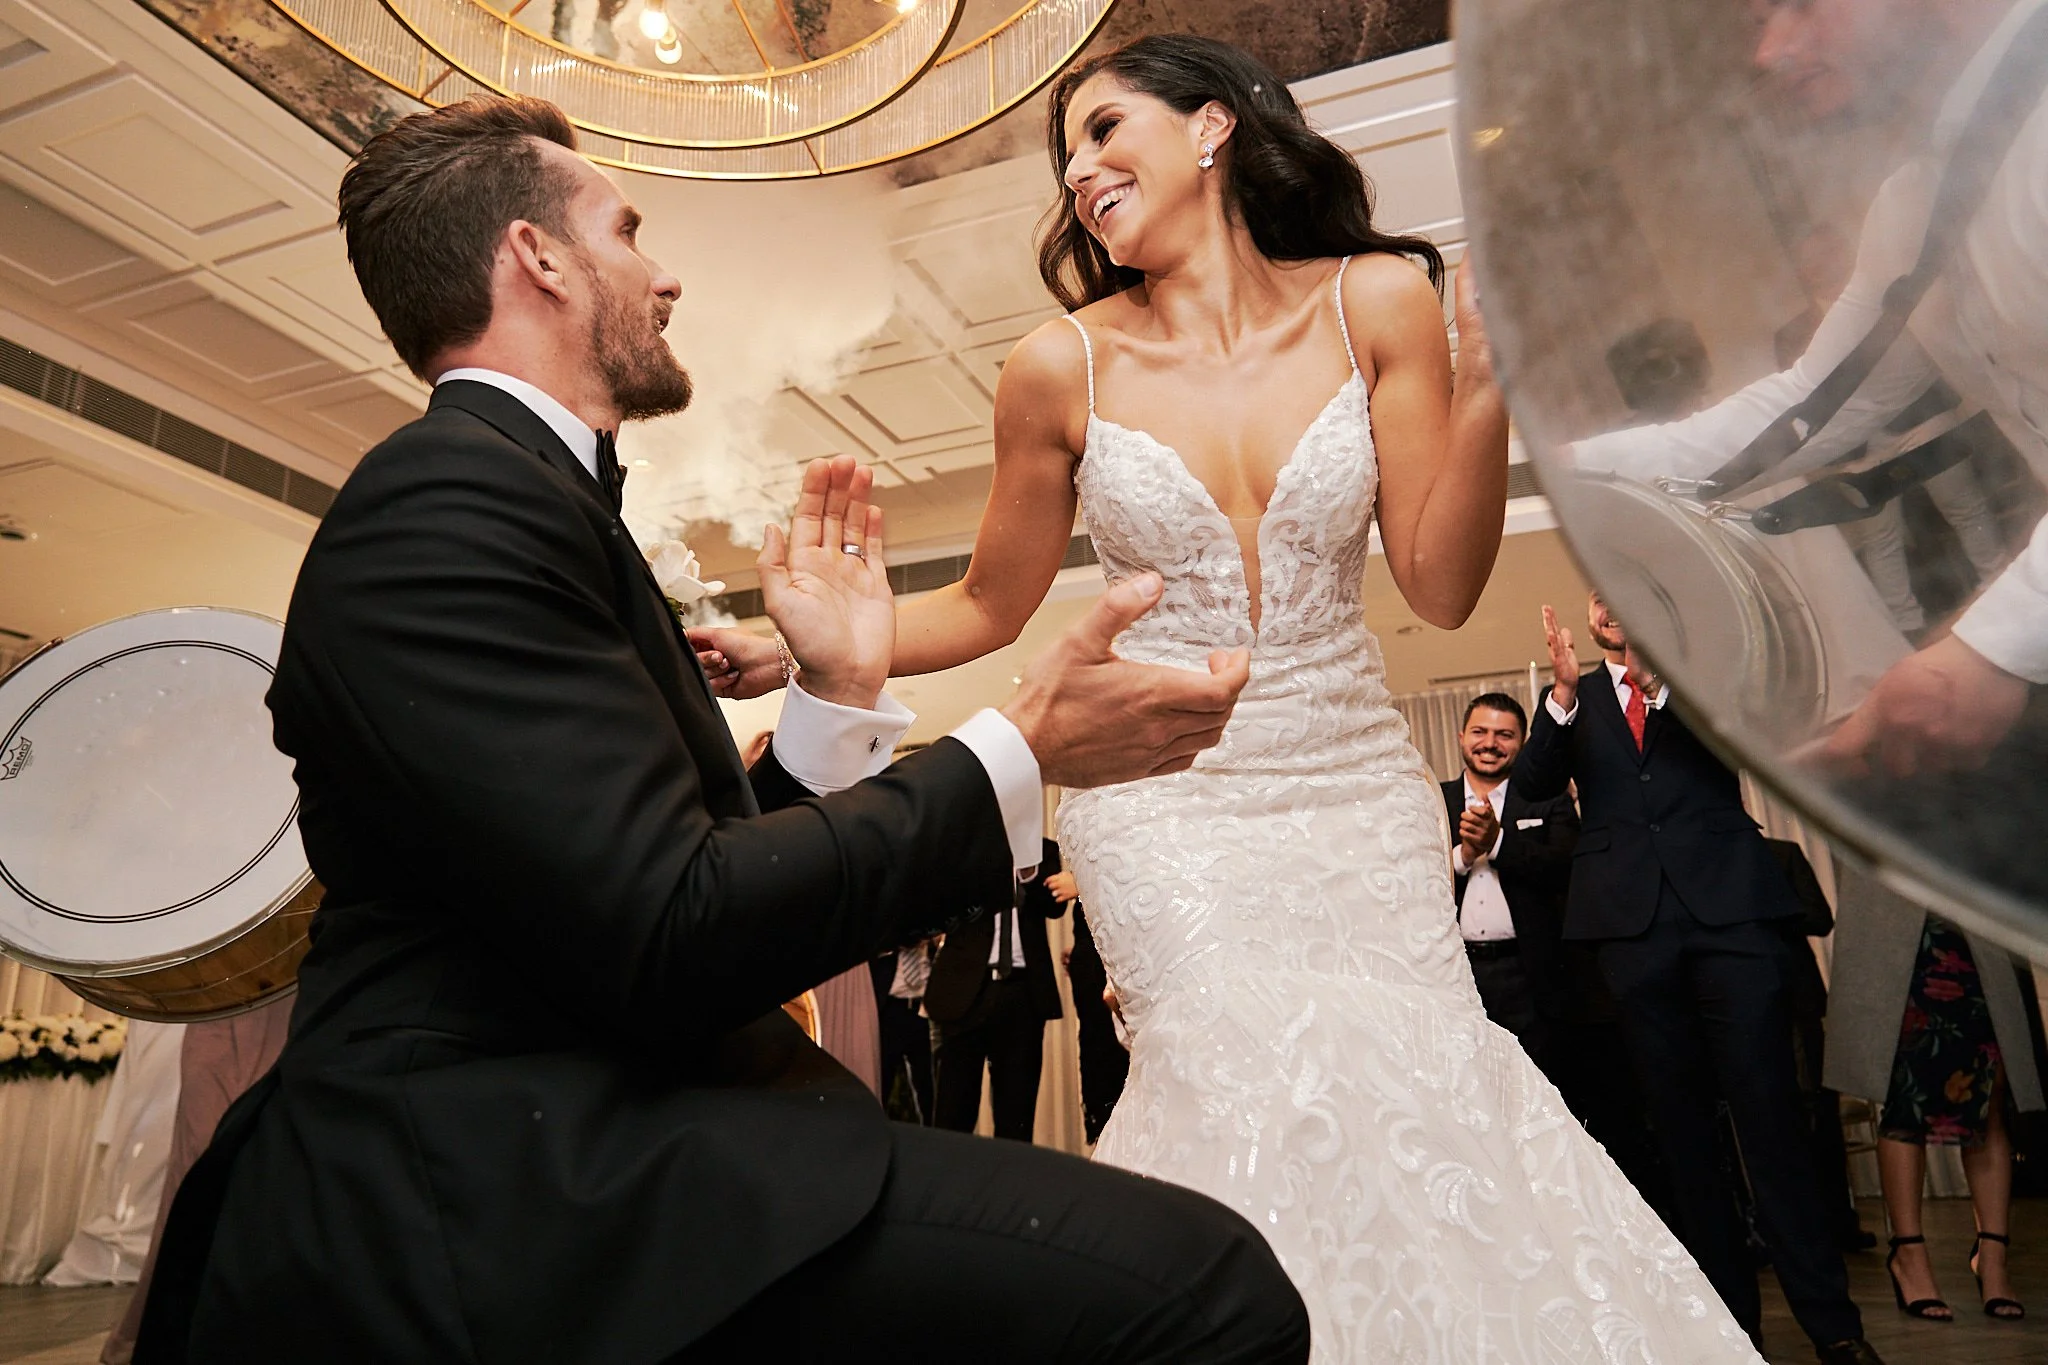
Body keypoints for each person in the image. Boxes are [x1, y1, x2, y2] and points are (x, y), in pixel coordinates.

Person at [131, 93, 1314, 1365]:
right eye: (626, 230)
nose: (665, 272)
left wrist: (834, 697)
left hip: (622, 1128)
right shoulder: (441, 508)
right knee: (1209, 1293)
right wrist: (1026, 745)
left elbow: (670, 882)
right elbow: (671, 934)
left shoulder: (523, 500)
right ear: (536, 257)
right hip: (500, 1188)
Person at [704, 33, 1765, 1362]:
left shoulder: (1375, 300)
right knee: (1230, 1075)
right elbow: (987, 601)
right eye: (1067, 155)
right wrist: (801, 648)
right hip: (1169, 805)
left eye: (1103, 130)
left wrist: (1490, 387)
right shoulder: (1058, 368)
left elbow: (1438, 585)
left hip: (1355, 787)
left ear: (1210, 128)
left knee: (1424, 1090)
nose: (1080, 170)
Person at [1570, 0, 2048, 817]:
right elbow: (1808, 405)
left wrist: (1999, 642)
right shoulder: (1911, 209)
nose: (1769, 50)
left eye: (1800, 5)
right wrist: (1556, 474)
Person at [1516, 593, 1883, 1364]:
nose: (1608, 607)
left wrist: (1661, 686)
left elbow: (1747, 743)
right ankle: (1730, 1333)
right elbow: (1534, 791)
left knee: (1772, 1122)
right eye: (1597, 597)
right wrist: (1554, 700)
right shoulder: (1572, 698)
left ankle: (1836, 1329)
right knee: (1681, 1138)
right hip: (1632, 934)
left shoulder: (1707, 678)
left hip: (1730, 918)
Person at [1824, 861, 2041, 1322]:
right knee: (1906, 1096)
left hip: (1974, 903)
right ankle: (1909, 1256)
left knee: (1991, 1095)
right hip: (1893, 905)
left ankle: (1994, 1259)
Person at [1439, 692, 1579, 1073]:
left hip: (1531, 972)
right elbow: (1411, 880)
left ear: (1522, 742)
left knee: (1543, 1080)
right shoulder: (1433, 800)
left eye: (1505, 735)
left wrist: (1497, 843)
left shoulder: (1548, 800)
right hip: (1456, 970)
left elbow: (1567, 869)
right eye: (1480, 731)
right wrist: (1464, 856)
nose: (1490, 743)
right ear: (1460, 737)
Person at [923, 837, 1070, 1141]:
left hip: (1022, 994)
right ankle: (951, 1187)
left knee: (1016, 1117)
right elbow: (938, 908)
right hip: (963, 993)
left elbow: (1054, 908)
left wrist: (1030, 874)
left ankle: (1010, 1187)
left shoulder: (1042, 849)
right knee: (952, 1117)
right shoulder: (960, 842)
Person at [1047, 865, 1130, 1144]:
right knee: (1095, 1046)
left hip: (1122, 956)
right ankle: (1102, 1136)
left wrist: (1084, 885)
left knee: (1116, 1052)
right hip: (1092, 955)